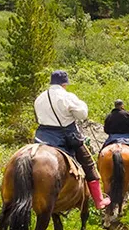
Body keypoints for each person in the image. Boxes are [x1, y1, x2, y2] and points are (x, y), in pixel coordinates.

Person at [34, 70, 110, 209]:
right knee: (88, 163)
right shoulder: (67, 96)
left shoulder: (40, 97)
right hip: (66, 135)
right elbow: (82, 114)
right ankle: (99, 200)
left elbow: (38, 117)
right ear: (64, 84)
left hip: (43, 136)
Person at [102, 99, 129, 176]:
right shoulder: (128, 114)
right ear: (122, 105)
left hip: (113, 138)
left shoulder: (109, 116)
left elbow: (105, 129)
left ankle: (99, 168)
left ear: (115, 106)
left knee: (102, 151)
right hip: (128, 138)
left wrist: (111, 132)